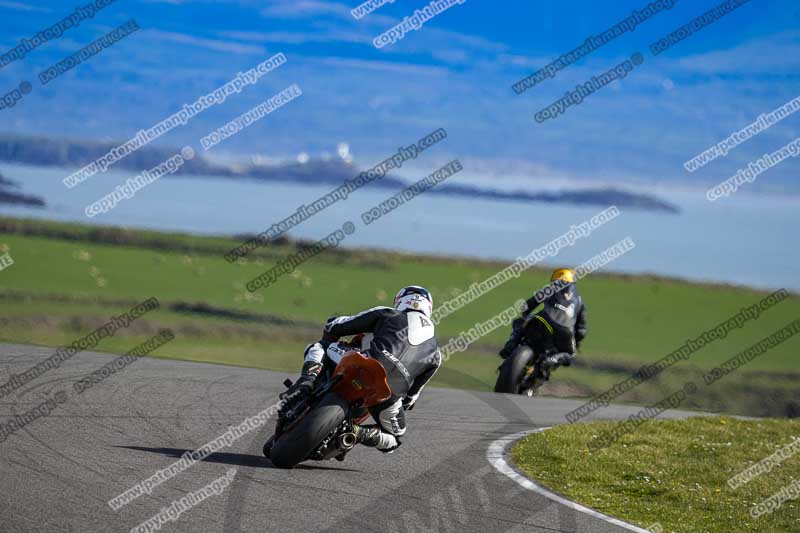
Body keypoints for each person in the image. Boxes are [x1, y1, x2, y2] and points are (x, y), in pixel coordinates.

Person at [284, 286, 440, 453]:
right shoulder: (436, 353)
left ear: (400, 301)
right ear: (429, 308)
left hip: (365, 364)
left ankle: (307, 382)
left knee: (318, 347)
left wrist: (331, 337)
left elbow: (334, 326)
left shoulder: (387, 313)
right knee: (394, 439)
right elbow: (410, 399)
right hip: (390, 393)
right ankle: (359, 433)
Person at [498, 268, 587, 373]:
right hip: (566, 331)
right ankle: (553, 359)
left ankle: (511, 345)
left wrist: (525, 312)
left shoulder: (551, 288)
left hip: (544, 319)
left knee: (519, 322)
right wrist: (577, 341)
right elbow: (581, 330)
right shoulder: (580, 300)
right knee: (569, 354)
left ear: (555, 278)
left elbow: (530, 304)